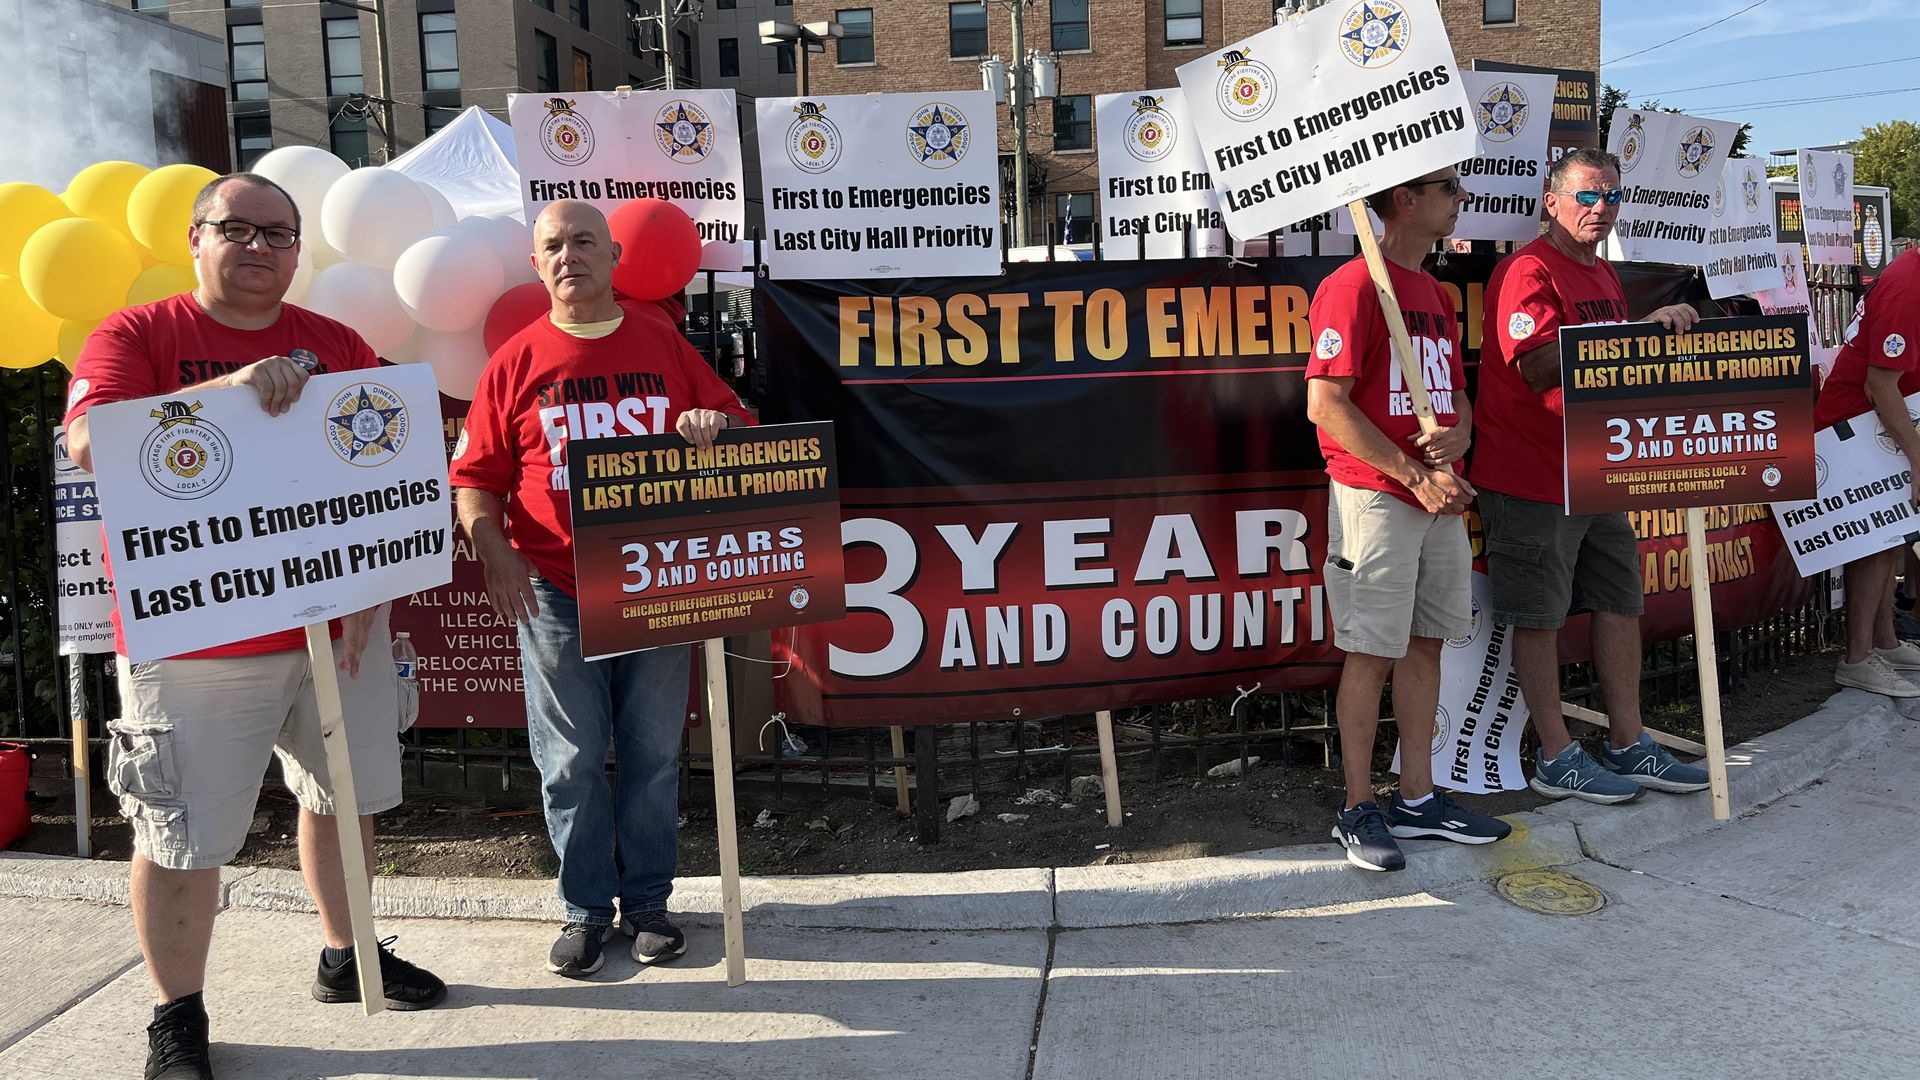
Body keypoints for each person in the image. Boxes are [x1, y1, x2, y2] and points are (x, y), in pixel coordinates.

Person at [64, 173, 445, 1080]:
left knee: (340, 802)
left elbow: (393, 455)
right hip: (195, 641)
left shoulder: (333, 342)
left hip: (332, 630)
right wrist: (230, 395)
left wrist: (368, 592)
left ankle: (347, 954)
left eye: (279, 234)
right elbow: (93, 442)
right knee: (180, 833)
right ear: (196, 238)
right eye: (237, 229)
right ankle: (178, 1015)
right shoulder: (139, 334)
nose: (260, 248)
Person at [451, 200, 751, 978]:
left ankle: (649, 905)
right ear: (536, 264)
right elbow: (475, 478)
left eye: (584, 241)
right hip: (552, 586)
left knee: (652, 755)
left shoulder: (661, 340)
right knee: (570, 759)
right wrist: (494, 549)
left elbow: (737, 421)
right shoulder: (514, 361)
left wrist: (711, 426)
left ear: (614, 256)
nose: (568, 255)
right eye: (552, 245)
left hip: (655, 582)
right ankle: (585, 909)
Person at [1470, 147, 1712, 803]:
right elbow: (1539, 368)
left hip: (1596, 473)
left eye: (1610, 196)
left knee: (1620, 604)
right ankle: (1556, 756)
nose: (1600, 207)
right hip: (1530, 476)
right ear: (1552, 202)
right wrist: (1638, 335)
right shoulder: (1526, 272)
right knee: (1539, 618)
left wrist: (1653, 344)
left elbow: (1614, 373)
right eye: (1586, 195)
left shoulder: (1603, 274)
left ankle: (1630, 744)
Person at [1307, 166, 1513, 871]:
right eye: (1450, 188)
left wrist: (1458, 437)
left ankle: (1418, 799)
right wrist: (1412, 477)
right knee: (1372, 652)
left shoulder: (1432, 291)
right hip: (1376, 498)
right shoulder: (1351, 286)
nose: (1462, 200)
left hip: (1435, 496)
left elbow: (1453, 391)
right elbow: (1326, 406)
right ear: (1407, 198)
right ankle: (1359, 805)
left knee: (1428, 643)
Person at [1808, 246, 1920, 695]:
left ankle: (1885, 642)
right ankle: (1857, 658)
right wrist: (1917, 457)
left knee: (1889, 536)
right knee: (1875, 540)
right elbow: (1879, 383)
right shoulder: (1910, 281)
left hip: (1877, 424)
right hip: (1851, 427)